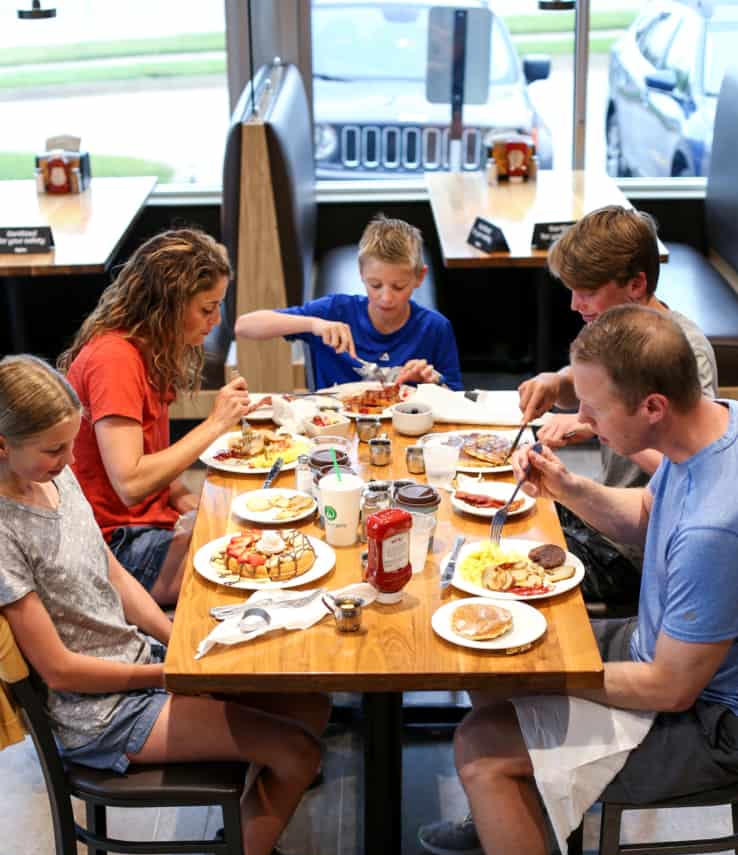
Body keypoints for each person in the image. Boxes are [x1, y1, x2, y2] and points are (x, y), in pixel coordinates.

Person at [421, 305, 738, 855]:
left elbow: (672, 689)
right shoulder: (713, 428)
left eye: (594, 406)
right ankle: (522, 830)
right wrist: (571, 490)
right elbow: (651, 517)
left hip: (713, 719)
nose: (583, 417)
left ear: (653, 406)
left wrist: (542, 674)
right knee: (489, 656)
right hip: (660, 652)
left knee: (479, 746)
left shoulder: (722, 521)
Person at [0, 354, 331, 855]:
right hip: (97, 713)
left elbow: (108, 567)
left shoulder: (52, 476)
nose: (69, 463)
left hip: (142, 663)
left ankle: (244, 846)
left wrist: (171, 634)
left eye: (71, 444)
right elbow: (61, 673)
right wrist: (170, 672)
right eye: (52, 450)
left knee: (310, 699)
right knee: (299, 752)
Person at [518, 205, 717, 605]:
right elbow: (592, 384)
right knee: (508, 514)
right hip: (608, 512)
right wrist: (556, 383)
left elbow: (698, 475)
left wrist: (602, 429)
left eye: (588, 292)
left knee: (511, 572)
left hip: (637, 548)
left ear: (636, 284)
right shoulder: (617, 332)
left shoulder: (684, 354)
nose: (575, 305)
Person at [57, 227, 255, 607]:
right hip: (114, 544)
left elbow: (146, 452)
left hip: (146, 523)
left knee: (262, 532)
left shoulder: (150, 348)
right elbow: (129, 483)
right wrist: (215, 425)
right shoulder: (114, 359)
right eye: (207, 308)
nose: (215, 321)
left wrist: (180, 494)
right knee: (253, 568)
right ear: (168, 302)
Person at [235, 213, 464, 391]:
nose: (386, 297)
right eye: (375, 285)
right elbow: (244, 325)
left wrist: (431, 380)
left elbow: (455, 399)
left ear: (419, 278)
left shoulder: (435, 328)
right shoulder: (334, 311)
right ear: (361, 274)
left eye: (398, 287)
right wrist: (313, 324)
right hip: (334, 443)